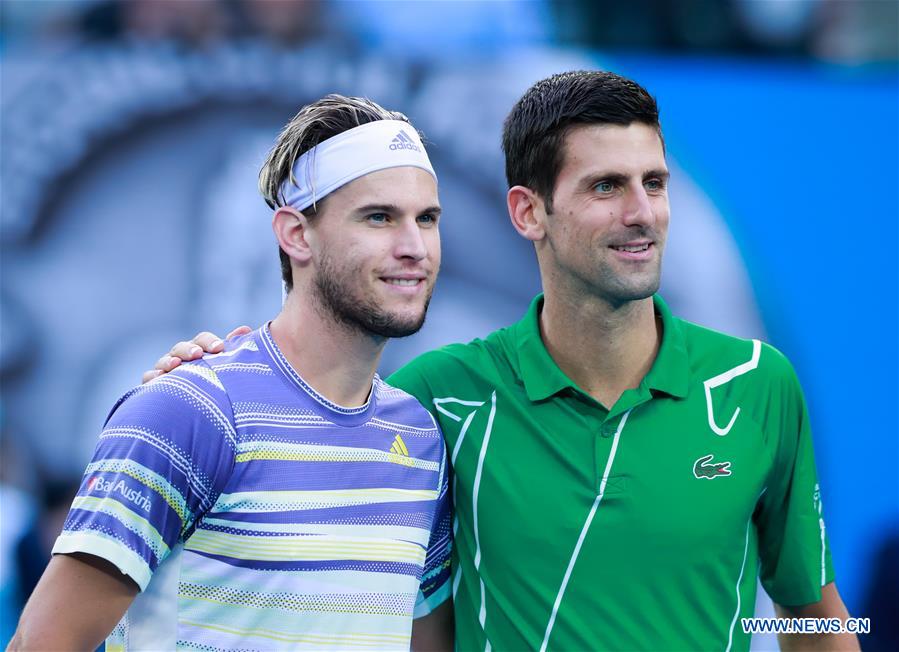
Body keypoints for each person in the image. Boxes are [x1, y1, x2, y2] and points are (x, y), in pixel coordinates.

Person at [147, 71, 858, 651]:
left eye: (654, 182)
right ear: (527, 212)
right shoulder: (436, 396)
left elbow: (809, 615)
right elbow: (289, 460)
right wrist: (196, 388)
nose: (642, 212)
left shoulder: (757, 384)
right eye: (605, 186)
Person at [10, 95, 453, 651]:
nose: (414, 247)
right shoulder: (187, 410)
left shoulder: (420, 437)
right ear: (296, 234)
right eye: (379, 217)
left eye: (427, 219)